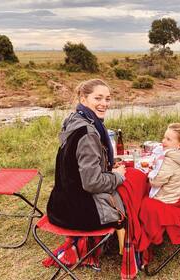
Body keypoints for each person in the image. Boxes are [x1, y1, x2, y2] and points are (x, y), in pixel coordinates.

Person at [46, 79, 126, 231]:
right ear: (83, 99)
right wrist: (118, 176)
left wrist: (106, 164)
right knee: (131, 189)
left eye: (107, 99)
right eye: (98, 98)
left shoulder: (74, 120)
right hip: (81, 214)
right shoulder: (88, 133)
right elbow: (92, 183)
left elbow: (76, 166)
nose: (104, 103)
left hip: (59, 207)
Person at [148, 123, 180, 204]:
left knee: (143, 200)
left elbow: (156, 182)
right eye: (164, 137)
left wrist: (150, 174)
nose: (163, 141)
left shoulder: (169, 161)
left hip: (169, 198)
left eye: (168, 139)